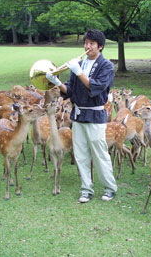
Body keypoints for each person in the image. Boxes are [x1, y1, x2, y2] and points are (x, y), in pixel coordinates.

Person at [46, 29, 117, 203]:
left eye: (92, 43)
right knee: (81, 154)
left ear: (100, 46)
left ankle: (110, 187)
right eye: (86, 42)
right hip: (78, 115)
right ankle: (86, 188)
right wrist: (56, 82)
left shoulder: (106, 66)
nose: (87, 46)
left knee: (100, 153)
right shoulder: (80, 64)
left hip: (95, 115)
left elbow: (96, 88)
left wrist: (78, 72)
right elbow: (69, 90)